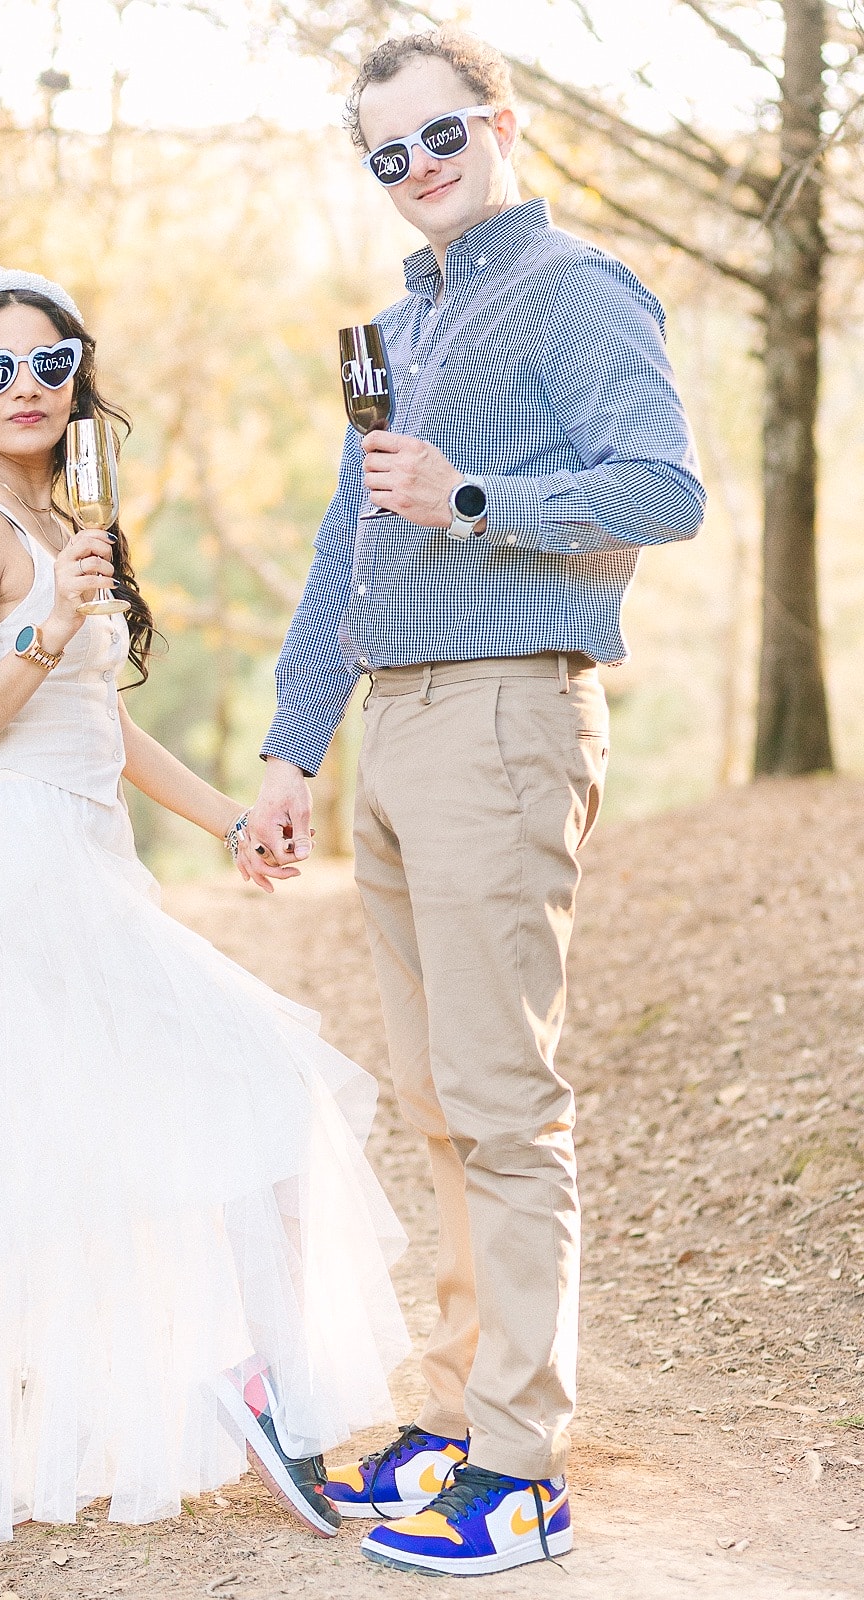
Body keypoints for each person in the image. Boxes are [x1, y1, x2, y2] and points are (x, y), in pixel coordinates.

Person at [0, 266, 410, 1549]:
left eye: (49, 364)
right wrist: (45, 626)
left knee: (10, 1155)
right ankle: (257, 1387)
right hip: (15, 871)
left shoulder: (50, 510)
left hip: (84, 854)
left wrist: (226, 817)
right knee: (244, 1092)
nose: (25, 388)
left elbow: (96, 726)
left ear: (77, 379)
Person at [243, 28, 706, 1579]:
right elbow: (342, 549)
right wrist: (292, 751)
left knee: (505, 1108)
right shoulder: (398, 321)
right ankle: (455, 1407)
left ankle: (520, 1468)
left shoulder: (577, 293)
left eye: (437, 134)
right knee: (441, 1102)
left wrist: (475, 499)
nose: (418, 168)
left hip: (510, 712)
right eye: (385, 154)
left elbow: (664, 488)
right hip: (397, 732)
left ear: (498, 121)